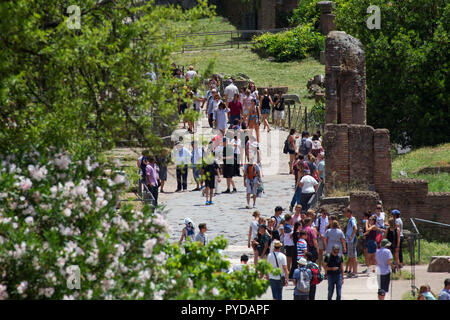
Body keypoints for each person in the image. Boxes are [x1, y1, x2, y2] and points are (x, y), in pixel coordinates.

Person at [344, 208, 358, 278]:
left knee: (353, 256)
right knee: (351, 256)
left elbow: (355, 228)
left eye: (346, 212)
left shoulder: (352, 220)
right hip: (350, 240)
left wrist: (351, 236)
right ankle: (353, 271)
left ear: (349, 212)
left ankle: (355, 272)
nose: (345, 214)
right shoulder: (350, 220)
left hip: (351, 240)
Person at [315, 208, 329, 272]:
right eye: (324, 213)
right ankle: (320, 266)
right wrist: (320, 235)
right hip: (321, 237)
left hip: (326, 237)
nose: (325, 214)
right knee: (320, 252)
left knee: (327, 252)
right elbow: (316, 229)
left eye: (326, 213)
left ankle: (326, 265)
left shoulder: (327, 219)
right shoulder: (318, 220)